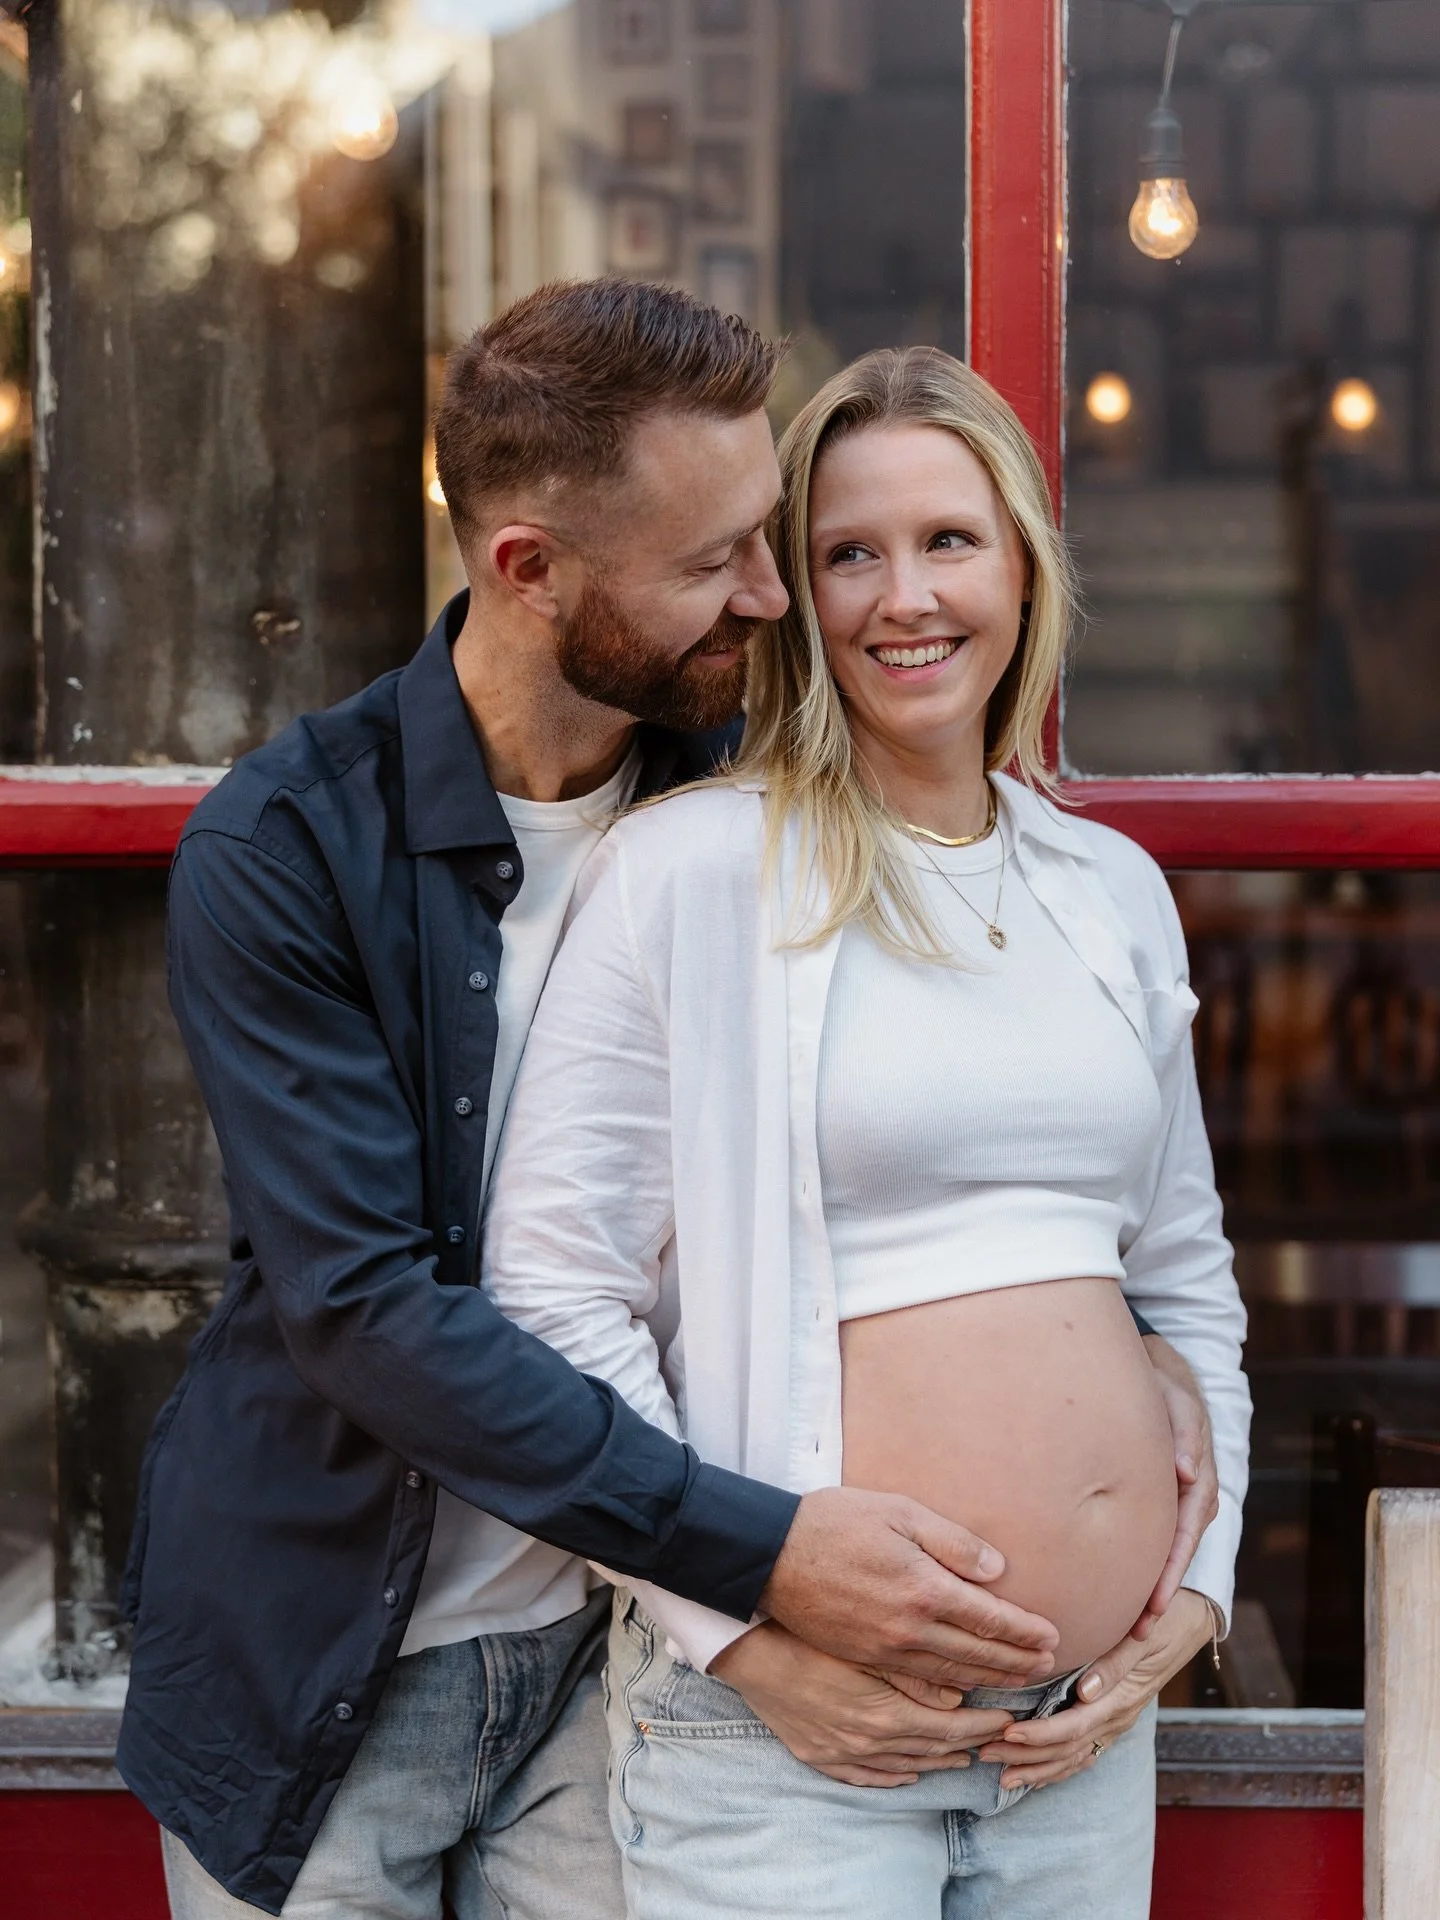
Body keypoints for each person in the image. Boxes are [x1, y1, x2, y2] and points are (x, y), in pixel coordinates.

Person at [122, 284, 1162, 1920]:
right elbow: (368, 1306)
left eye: (770, 537)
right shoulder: (286, 850)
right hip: (336, 1649)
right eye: (715, 562)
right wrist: (756, 1568)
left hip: (616, 1656)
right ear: (530, 571)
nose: (774, 593)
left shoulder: (748, 804)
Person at [481, 344, 1252, 1918]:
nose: (906, 597)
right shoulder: (693, 872)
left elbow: (1186, 1284)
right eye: (850, 553)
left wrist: (1199, 1599)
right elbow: (554, 1296)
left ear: (1024, 567)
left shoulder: (1109, 896)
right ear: (796, 593)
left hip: (1079, 1748)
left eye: (949, 542)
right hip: (793, 1754)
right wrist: (740, 1637)